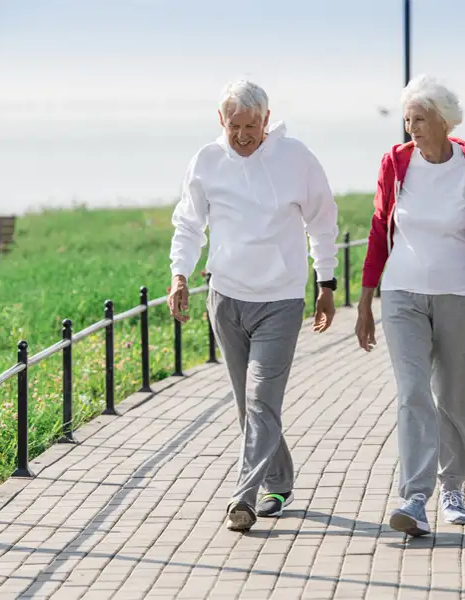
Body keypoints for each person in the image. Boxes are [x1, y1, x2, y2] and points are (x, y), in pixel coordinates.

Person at [167, 80, 340, 532]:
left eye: (251, 126)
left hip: (280, 301)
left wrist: (326, 281)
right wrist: (180, 274)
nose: (242, 135)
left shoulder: (296, 159)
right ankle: (279, 479)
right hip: (225, 298)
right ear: (220, 120)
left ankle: (244, 497)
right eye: (234, 126)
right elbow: (189, 224)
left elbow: (323, 221)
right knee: (249, 405)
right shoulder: (206, 161)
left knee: (262, 400)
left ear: (267, 120)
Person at [355, 75, 465, 536]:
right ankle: (415, 496)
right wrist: (365, 300)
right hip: (401, 293)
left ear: (444, 121)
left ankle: (454, 486)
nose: (412, 128)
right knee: (414, 391)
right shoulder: (395, 164)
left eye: (420, 119)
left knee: (454, 392)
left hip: (460, 293)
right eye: (407, 120)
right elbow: (380, 229)